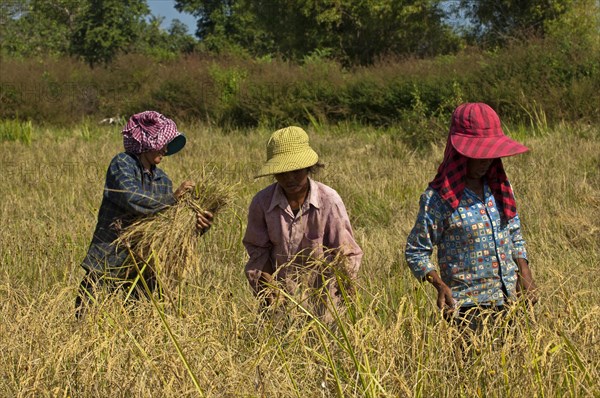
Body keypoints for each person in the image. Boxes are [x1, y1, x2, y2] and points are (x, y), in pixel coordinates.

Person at [405, 103, 538, 332]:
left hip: (508, 301)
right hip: (466, 309)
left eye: (491, 153)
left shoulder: (500, 188)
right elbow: (416, 251)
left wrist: (525, 272)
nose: (487, 160)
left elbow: (514, 232)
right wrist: (438, 284)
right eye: (480, 154)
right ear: (460, 154)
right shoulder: (438, 199)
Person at [76, 110, 213, 317]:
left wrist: (197, 226)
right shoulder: (122, 164)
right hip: (108, 259)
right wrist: (173, 199)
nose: (166, 149)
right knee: (89, 318)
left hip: (143, 266)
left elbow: (169, 224)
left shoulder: (163, 181)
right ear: (147, 143)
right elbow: (131, 198)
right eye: (162, 143)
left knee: (140, 321)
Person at [243, 126, 363, 323]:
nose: (289, 178)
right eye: (282, 172)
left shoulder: (328, 200)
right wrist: (265, 281)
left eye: (296, 171)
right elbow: (258, 250)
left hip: (324, 305)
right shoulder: (262, 203)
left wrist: (347, 287)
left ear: (309, 168)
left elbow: (345, 252)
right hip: (280, 304)